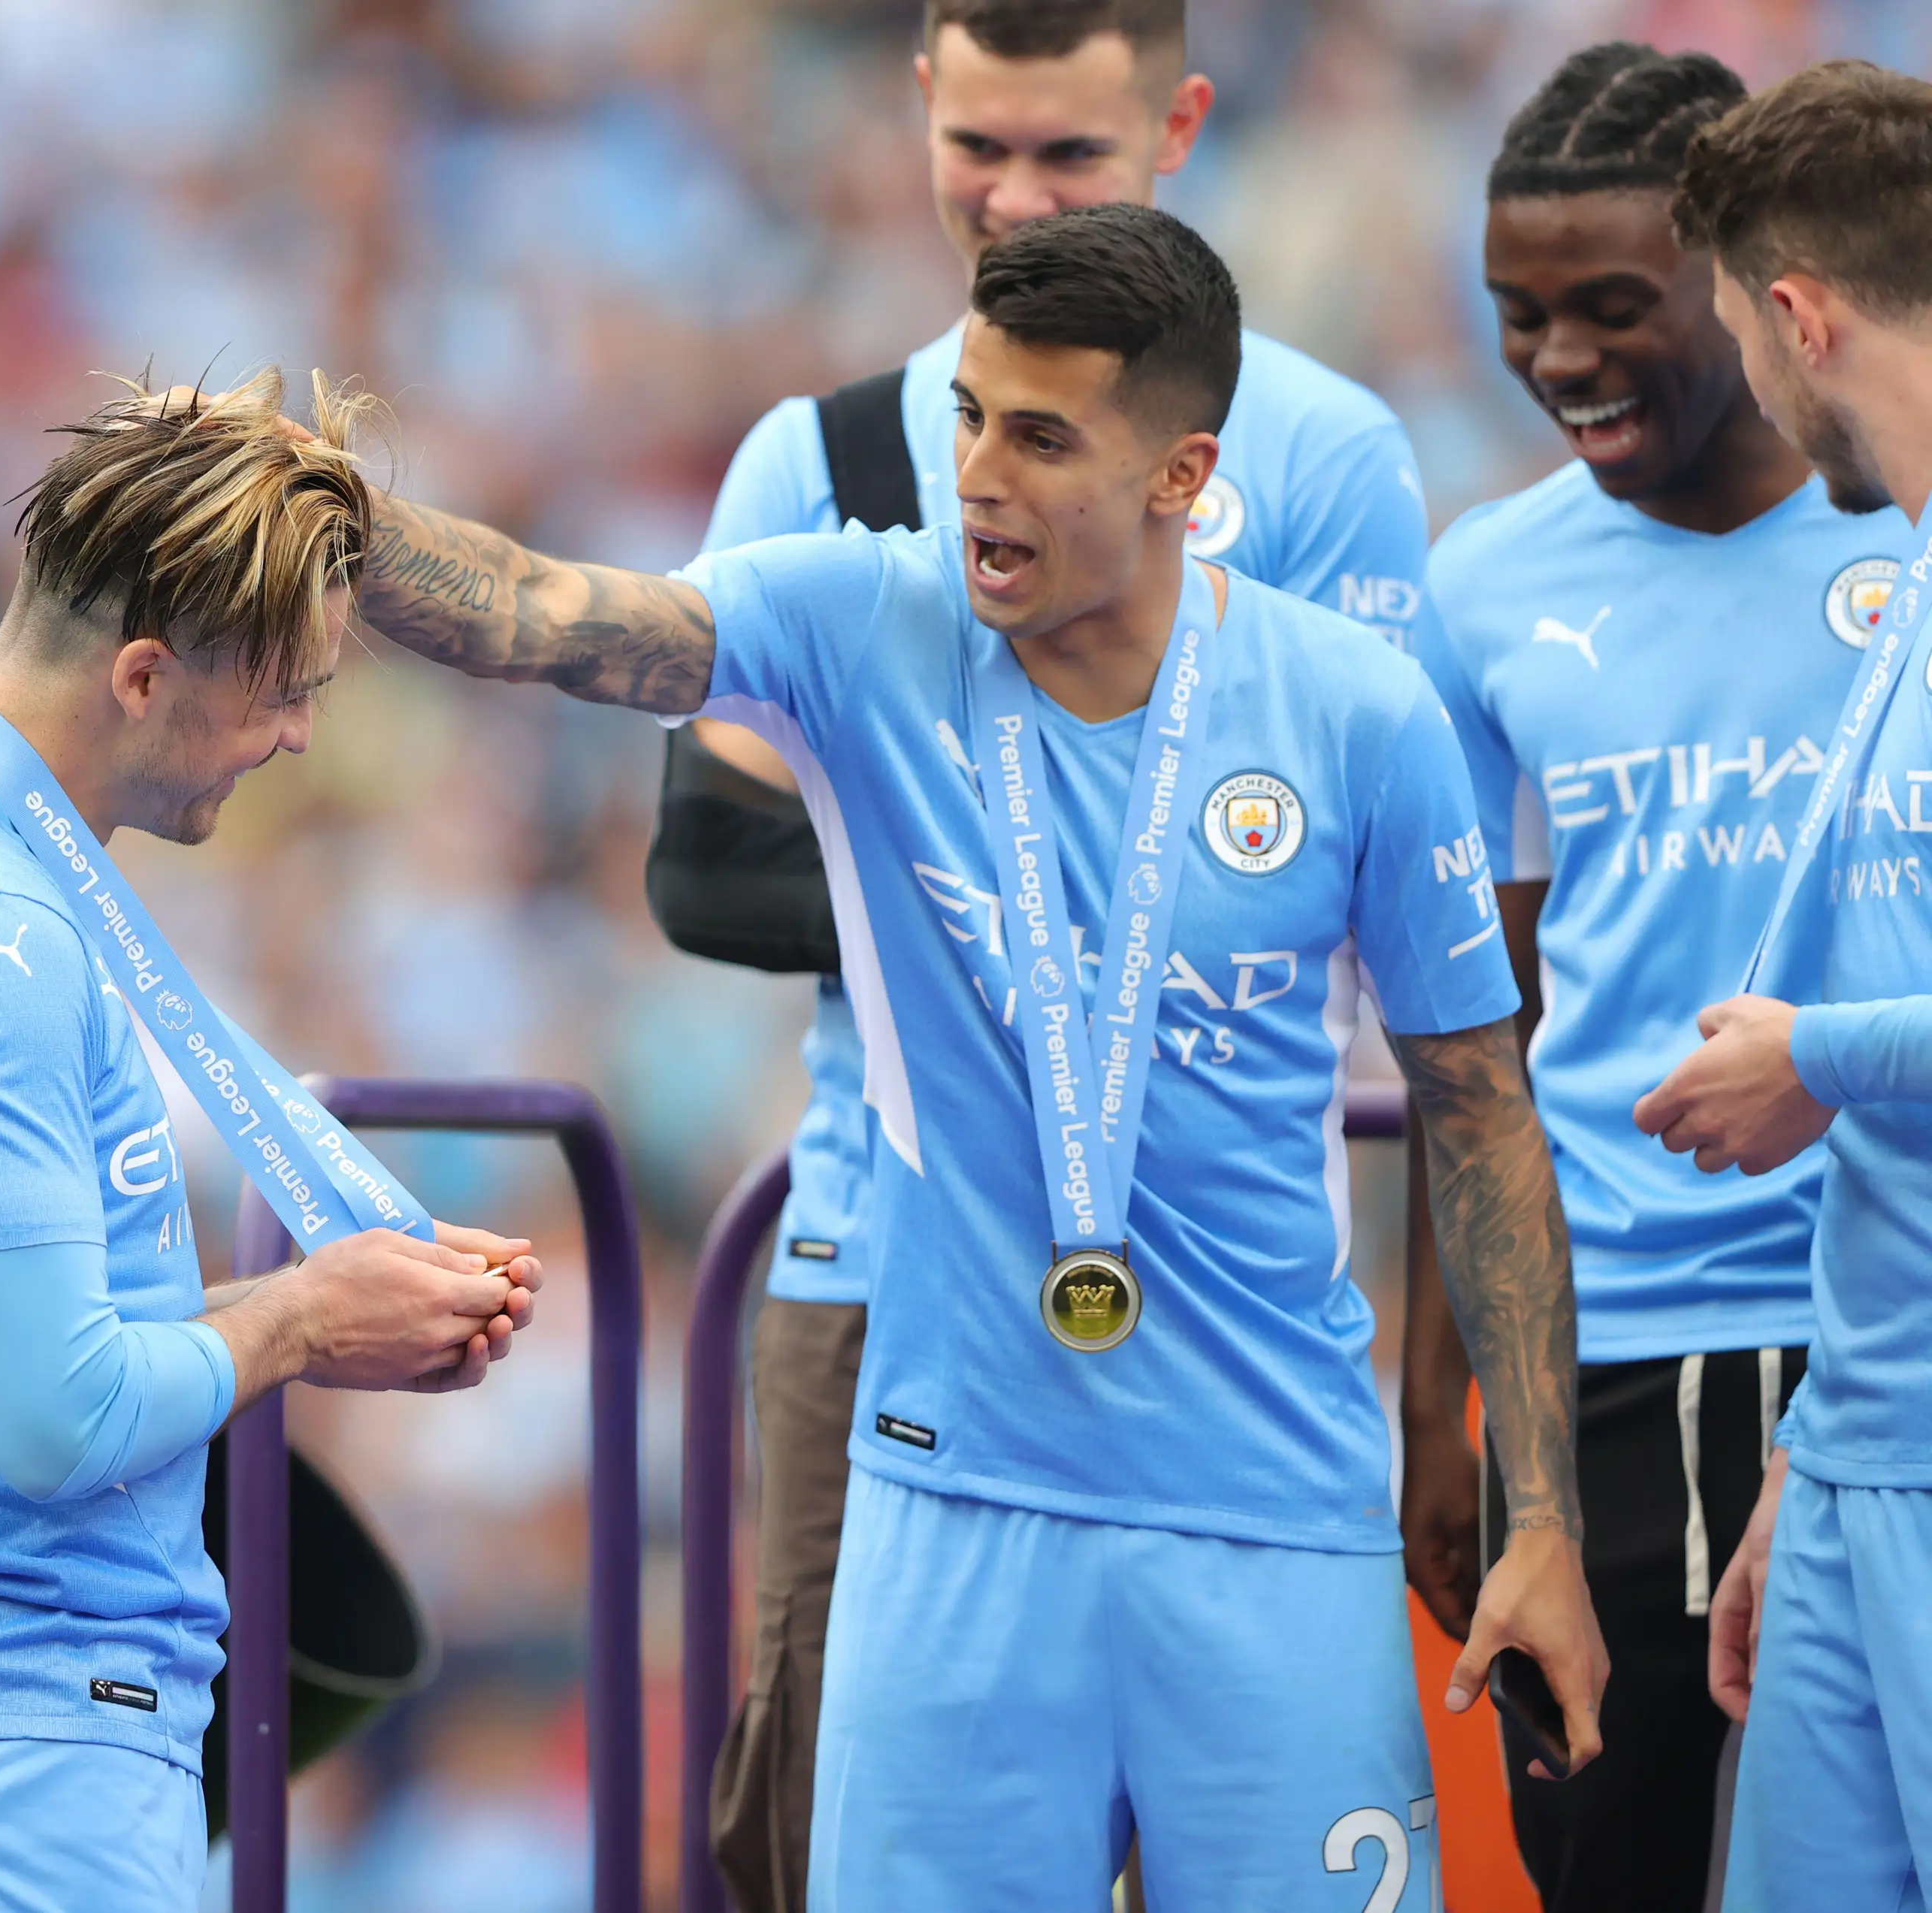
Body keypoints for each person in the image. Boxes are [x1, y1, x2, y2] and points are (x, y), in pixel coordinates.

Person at [352, 202, 1607, 1909]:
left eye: (1039, 435)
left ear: (1183, 476)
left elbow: (1477, 1107)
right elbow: (547, 614)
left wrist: (1541, 1515)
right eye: (964, 417)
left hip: (1271, 1517)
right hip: (952, 1515)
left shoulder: (1354, 713)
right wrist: (323, 515)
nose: (978, 476)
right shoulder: (860, 620)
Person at [654, 8, 1443, 1899]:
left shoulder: (1327, 454)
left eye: (1067, 159)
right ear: (920, 100)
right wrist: (989, 858)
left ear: (1176, 123)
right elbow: (699, 864)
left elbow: (1358, 875)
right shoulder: (829, 451)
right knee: (820, 1841)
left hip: (1232, 1309)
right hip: (880, 1263)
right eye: (978, 143)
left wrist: (907, 818)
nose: (1008, 199)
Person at [0, 372, 543, 1913]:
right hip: (5, 1768)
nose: (300, 736)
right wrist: (303, 1317)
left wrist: (333, 1302)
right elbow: (52, 1420)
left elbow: (19, 1367)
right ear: (146, 675)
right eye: (281, 691)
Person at [1395, 46, 1912, 1911]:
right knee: (1609, 1863)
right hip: (1610, 1359)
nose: (1559, 360)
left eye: (1612, 306)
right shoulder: (1487, 588)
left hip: (1879, 1338)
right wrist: (1443, 1407)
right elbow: (1477, 1036)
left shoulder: (1905, 533)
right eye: (1519, 315)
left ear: (1753, 284)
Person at [1634, 59, 1932, 1911]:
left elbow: (1851, 1047)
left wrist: (1811, 1054)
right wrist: (1812, 1460)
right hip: (1858, 1470)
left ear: (1798, 316)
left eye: (1745, 335)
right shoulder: (1907, 581)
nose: (1750, 381)